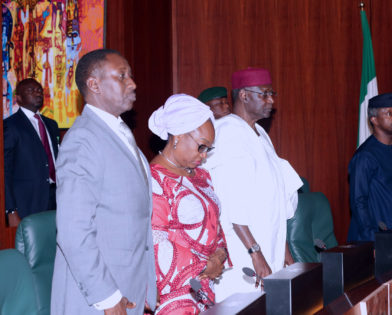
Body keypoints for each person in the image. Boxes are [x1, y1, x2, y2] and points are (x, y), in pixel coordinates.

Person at [51, 49, 157, 315]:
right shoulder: (82, 140)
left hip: (128, 287)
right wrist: (107, 297)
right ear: (94, 84)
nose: (132, 83)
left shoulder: (118, 131)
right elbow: (73, 230)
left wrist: (144, 285)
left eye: (130, 76)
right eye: (122, 76)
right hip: (100, 300)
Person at [204, 67, 302, 301]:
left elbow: (274, 198)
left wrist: (284, 249)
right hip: (243, 249)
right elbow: (231, 200)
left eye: (272, 94)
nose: (270, 100)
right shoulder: (227, 131)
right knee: (245, 303)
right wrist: (254, 253)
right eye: (264, 94)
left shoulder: (259, 132)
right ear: (244, 95)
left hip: (267, 244)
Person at [147, 94, 230, 314]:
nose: (203, 156)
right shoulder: (153, 179)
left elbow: (215, 222)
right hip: (173, 292)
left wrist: (220, 255)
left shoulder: (201, 175)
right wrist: (204, 266)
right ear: (178, 136)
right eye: (201, 147)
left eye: (208, 149)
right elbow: (155, 242)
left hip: (204, 286)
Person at [347, 93, 392, 242]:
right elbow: (358, 202)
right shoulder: (365, 156)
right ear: (374, 120)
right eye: (389, 113)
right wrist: (372, 238)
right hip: (371, 240)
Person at [3, 78, 59, 227]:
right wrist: (10, 210)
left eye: (39, 90)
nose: (37, 93)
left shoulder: (51, 124)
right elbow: (5, 171)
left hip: (55, 198)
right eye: (31, 90)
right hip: (27, 202)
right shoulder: (10, 126)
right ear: (19, 98)